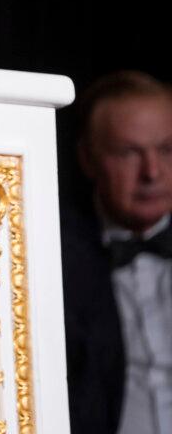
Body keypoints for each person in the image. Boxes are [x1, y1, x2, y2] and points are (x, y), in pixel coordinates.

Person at [62, 70, 172, 434]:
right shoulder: (54, 256)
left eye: (167, 149)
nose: (152, 172)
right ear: (88, 159)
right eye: (129, 153)